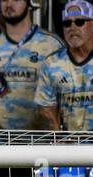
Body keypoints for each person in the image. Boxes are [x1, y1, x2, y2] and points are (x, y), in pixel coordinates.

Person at [0, 0, 62, 131]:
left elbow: (66, 94)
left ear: (29, 4)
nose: (9, 4)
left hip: (41, 142)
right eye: (4, 0)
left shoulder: (52, 45)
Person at [37, 2, 93, 133]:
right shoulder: (51, 63)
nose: (72, 27)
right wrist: (59, 142)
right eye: (67, 23)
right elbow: (46, 110)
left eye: (79, 22)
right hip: (68, 149)